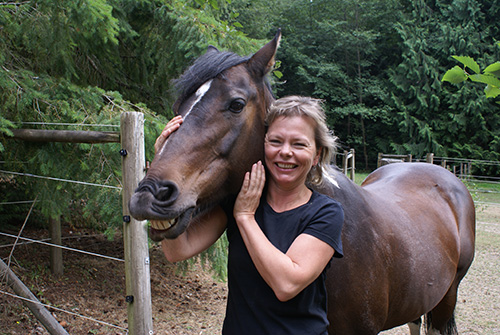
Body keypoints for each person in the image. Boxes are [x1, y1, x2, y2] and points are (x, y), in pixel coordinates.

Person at [156, 96, 344, 335]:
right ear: (262, 145)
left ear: (317, 154)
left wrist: (245, 217)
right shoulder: (239, 197)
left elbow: (286, 284)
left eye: (299, 144)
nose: (285, 152)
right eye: (276, 141)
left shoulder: (326, 212)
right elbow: (177, 250)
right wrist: (163, 170)